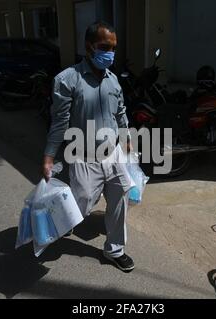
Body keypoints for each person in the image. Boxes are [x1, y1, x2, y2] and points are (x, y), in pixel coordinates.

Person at [43, 21, 135, 272]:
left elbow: (121, 113)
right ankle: (57, 221)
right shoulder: (67, 79)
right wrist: (50, 155)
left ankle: (114, 249)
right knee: (80, 204)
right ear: (89, 46)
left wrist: (126, 138)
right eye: (105, 46)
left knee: (120, 198)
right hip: (83, 155)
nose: (110, 53)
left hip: (113, 154)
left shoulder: (114, 80)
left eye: (114, 48)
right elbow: (59, 121)